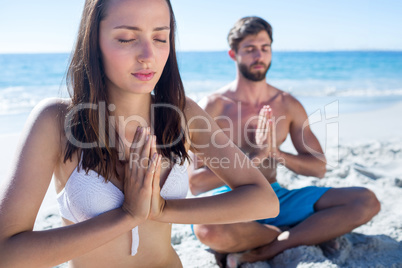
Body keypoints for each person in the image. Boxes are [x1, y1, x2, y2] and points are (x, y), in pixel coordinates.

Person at [0, 3, 280, 267]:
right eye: (125, 39)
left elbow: (263, 200)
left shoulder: (181, 114)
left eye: (160, 38)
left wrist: (161, 210)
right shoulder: (56, 121)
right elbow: (6, 253)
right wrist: (127, 216)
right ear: (93, 41)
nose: (148, 55)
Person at [189, 16, 381, 267]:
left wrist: (275, 153)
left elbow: (318, 168)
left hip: (275, 197)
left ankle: (269, 247)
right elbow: (196, 183)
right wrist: (255, 158)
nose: (259, 56)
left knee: (365, 200)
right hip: (227, 198)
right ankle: (295, 232)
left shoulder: (286, 104)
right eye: (249, 49)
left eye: (265, 48)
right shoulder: (213, 106)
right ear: (232, 54)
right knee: (208, 231)